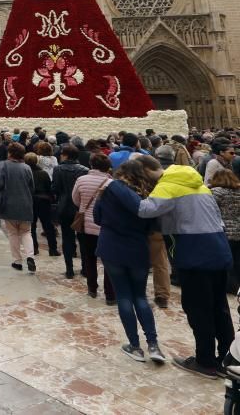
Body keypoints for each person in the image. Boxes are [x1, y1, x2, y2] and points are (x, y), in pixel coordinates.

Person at [139, 162, 235, 379]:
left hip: (195, 255)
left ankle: (206, 362)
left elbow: (144, 210)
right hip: (218, 251)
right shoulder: (200, 185)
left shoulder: (168, 185)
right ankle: (227, 359)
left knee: (199, 310)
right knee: (219, 308)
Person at [93, 159, 167, 363]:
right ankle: (153, 345)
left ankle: (135, 346)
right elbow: (153, 224)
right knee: (140, 296)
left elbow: (97, 217)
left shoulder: (110, 189)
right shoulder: (146, 194)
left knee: (124, 297)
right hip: (137, 248)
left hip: (111, 246)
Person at [72, 153, 116, 303]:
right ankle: (110, 295)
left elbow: (75, 199)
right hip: (105, 227)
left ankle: (92, 288)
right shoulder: (111, 183)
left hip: (86, 226)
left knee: (89, 257)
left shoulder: (81, 180)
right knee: (109, 260)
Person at [0, 142, 36, 273]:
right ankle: (30, 256)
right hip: (25, 203)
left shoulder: (2, 165)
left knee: (12, 233)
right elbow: (32, 187)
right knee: (26, 232)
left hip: (8, 203)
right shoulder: (26, 167)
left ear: (10, 152)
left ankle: (17, 261)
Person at [52, 144, 88, 278]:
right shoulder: (84, 170)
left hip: (64, 206)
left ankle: (69, 270)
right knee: (83, 239)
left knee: (67, 238)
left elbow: (55, 188)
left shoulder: (58, 169)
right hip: (80, 208)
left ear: (65, 155)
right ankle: (85, 268)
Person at [209, 168, 240, 291]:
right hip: (238, 231)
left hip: (223, 232)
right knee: (238, 261)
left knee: (226, 261)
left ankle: (229, 285)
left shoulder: (215, 192)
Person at [26, 152, 58, 257]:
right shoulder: (43, 173)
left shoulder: (26, 173)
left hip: (31, 200)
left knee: (32, 226)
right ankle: (53, 249)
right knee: (48, 226)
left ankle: (34, 248)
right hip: (43, 201)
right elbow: (49, 187)